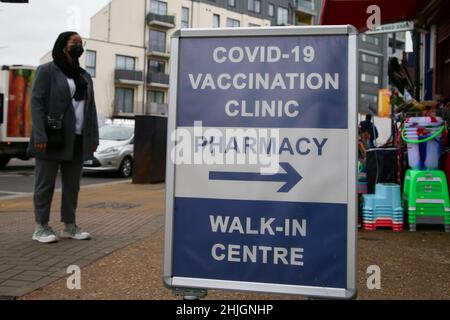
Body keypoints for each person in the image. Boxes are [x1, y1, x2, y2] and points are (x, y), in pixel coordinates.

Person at [27, 32, 99, 243]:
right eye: (74, 42)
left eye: (80, 43)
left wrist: (93, 136)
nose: (79, 46)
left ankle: (69, 225)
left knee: (72, 185)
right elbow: (37, 103)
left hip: (78, 137)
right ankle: (41, 227)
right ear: (62, 46)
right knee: (45, 183)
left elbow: (90, 109)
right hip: (52, 137)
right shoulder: (47, 71)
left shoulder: (84, 76)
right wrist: (39, 133)